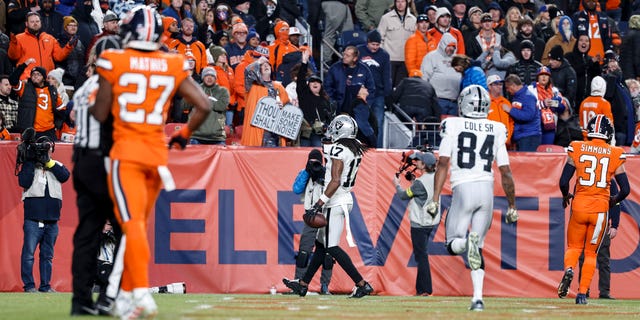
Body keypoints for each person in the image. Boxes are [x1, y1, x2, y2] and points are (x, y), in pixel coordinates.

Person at [91, 6, 211, 318]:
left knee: (130, 227)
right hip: (157, 156)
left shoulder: (115, 59)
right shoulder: (171, 62)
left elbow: (100, 112)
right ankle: (129, 298)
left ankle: (141, 293)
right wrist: (184, 133)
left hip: (127, 154)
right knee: (138, 228)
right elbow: (202, 105)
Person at [427, 84, 516, 311]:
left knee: (451, 244)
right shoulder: (496, 128)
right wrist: (512, 205)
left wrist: (435, 199)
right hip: (487, 190)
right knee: (479, 248)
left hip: (464, 188)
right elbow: (505, 171)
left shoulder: (453, 125)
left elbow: (443, 163)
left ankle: (468, 243)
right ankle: (477, 298)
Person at [283, 115, 374, 299]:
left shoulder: (340, 149)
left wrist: (319, 203)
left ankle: (362, 284)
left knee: (331, 247)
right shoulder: (353, 146)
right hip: (344, 197)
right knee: (321, 245)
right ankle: (302, 284)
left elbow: (335, 180)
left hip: (335, 199)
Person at [70, 36, 123, 316]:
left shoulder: (83, 88)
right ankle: (109, 297)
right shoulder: (110, 85)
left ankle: (80, 300)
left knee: (87, 234)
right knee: (127, 232)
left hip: (81, 160)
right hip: (103, 159)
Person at [558, 115, 629, 305]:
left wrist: (566, 196)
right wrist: (612, 200)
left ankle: (569, 269)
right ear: (608, 133)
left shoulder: (578, 147)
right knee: (591, 254)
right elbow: (626, 190)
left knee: (574, 248)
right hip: (599, 209)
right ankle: (582, 294)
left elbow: (564, 181)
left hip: (580, 205)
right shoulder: (615, 153)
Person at [17, 132, 70, 293]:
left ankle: (45, 286)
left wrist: (48, 162)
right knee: (29, 254)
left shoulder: (56, 164)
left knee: (47, 256)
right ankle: (29, 286)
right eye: (41, 147)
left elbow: (65, 175)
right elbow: (24, 181)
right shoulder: (28, 164)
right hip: (33, 219)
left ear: (52, 149)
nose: (44, 150)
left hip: (52, 220)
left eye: (47, 147)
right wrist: (31, 160)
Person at [393, 151, 438, 296]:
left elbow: (403, 195)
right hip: (430, 221)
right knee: (421, 256)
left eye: (419, 161)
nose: (416, 162)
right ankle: (420, 290)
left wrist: (397, 184)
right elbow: (422, 193)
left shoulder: (420, 182)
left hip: (419, 223)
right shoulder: (435, 177)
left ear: (424, 165)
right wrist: (413, 181)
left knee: (421, 257)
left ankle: (425, 289)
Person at [291, 149, 333, 295]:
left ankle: (325, 286)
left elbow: (334, 190)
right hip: (310, 216)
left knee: (328, 253)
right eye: (311, 162)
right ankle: (298, 282)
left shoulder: (327, 173)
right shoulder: (305, 173)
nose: (314, 165)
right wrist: (307, 172)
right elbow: (296, 190)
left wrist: (322, 174)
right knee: (304, 251)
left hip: (326, 216)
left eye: (316, 162)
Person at [8, 12, 78, 80]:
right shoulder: (19, 38)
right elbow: (13, 56)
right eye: (32, 22)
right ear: (26, 24)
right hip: (28, 79)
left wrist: (68, 46)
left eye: (37, 21)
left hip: (46, 79)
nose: (35, 24)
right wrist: (13, 42)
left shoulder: (50, 38)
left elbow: (58, 57)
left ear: (41, 23)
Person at [9, 59, 65, 140]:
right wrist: (24, 65)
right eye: (33, 74)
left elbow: (61, 109)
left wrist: (57, 125)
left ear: (44, 78)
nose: (35, 76)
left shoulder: (52, 90)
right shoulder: (25, 87)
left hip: (49, 131)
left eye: (38, 74)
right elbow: (12, 80)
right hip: (30, 131)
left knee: (51, 152)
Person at [240, 57, 290, 147]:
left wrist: (282, 105)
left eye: (268, 65)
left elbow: (288, 107)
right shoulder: (252, 86)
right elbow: (248, 71)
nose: (266, 66)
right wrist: (258, 62)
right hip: (257, 129)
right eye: (263, 66)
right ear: (258, 70)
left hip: (275, 132)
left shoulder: (278, 86)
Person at [358, 30, 391, 148]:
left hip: (378, 94)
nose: (375, 47)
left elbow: (386, 76)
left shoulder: (384, 55)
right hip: (361, 94)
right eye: (373, 44)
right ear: (368, 42)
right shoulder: (359, 51)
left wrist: (388, 95)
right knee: (360, 121)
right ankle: (359, 146)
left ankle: (378, 148)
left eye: (378, 45)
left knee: (378, 123)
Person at [297, 50, 332, 147]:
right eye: (312, 82)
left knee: (319, 154)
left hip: (319, 135)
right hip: (305, 134)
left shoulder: (325, 100)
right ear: (308, 85)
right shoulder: (304, 95)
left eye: (317, 82)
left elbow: (329, 118)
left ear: (321, 85)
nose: (315, 83)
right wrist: (304, 63)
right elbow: (300, 81)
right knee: (303, 156)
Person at [377, 0, 416, 87]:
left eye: (402, 1)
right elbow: (379, 39)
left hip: (405, 60)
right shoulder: (386, 18)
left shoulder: (413, 20)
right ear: (394, 3)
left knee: (399, 88)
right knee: (387, 87)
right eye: (398, 1)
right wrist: (383, 56)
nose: (400, 4)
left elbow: (415, 41)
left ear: (407, 3)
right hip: (389, 60)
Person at [187, 66, 230, 145]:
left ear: (215, 78)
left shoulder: (223, 91)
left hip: (217, 137)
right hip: (197, 136)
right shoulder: (195, 89)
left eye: (212, 76)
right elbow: (185, 106)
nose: (209, 78)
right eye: (207, 75)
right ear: (203, 77)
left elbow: (221, 106)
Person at [503, 74, 541, 151]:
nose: (507, 90)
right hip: (522, 135)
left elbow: (528, 116)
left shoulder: (528, 96)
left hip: (529, 136)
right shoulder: (517, 96)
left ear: (513, 85)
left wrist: (510, 110)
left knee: (527, 162)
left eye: (508, 87)